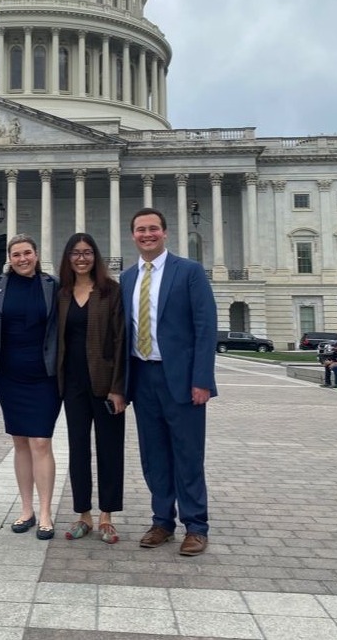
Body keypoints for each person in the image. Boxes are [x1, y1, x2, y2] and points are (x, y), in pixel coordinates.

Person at [120, 208, 218, 557]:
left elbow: (206, 328)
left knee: (188, 454)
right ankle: (162, 520)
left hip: (181, 377)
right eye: (140, 230)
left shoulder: (188, 272)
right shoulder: (128, 278)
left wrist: (202, 379)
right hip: (142, 375)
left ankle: (196, 526)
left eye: (153, 229)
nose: (147, 235)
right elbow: (123, 335)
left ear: (165, 233)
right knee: (154, 455)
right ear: (133, 235)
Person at [0, 233, 60, 539]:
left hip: (44, 374)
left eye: (27, 253)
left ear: (36, 254)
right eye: (16, 254)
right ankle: (26, 509)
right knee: (20, 441)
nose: (22, 259)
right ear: (9, 257)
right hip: (9, 373)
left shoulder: (52, 285)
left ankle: (45, 511)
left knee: (41, 442)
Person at [57, 233, 126, 545]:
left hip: (105, 382)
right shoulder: (63, 293)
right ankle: (82, 514)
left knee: (110, 449)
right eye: (75, 253)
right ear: (68, 258)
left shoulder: (110, 291)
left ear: (95, 256)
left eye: (86, 252)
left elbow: (121, 340)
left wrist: (119, 388)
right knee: (78, 449)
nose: (81, 258)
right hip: (73, 382)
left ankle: (107, 516)